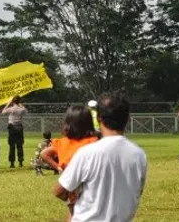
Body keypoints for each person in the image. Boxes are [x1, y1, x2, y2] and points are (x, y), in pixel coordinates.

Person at [54, 92, 147, 222]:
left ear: (98, 118)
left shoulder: (87, 153)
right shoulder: (139, 155)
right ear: (128, 119)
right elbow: (137, 192)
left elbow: (59, 191)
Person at [41, 106, 99, 220]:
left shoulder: (63, 142)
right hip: (87, 183)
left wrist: (58, 167)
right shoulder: (93, 142)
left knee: (73, 212)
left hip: (69, 184)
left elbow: (44, 154)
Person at [2, 95, 27, 168]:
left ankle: (12, 163)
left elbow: (3, 112)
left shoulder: (11, 109)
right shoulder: (21, 109)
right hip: (19, 127)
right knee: (20, 145)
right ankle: (20, 162)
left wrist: (8, 103)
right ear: (19, 101)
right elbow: (26, 111)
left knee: (12, 145)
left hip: (12, 127)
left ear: (13, 101)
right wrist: (20, 104)